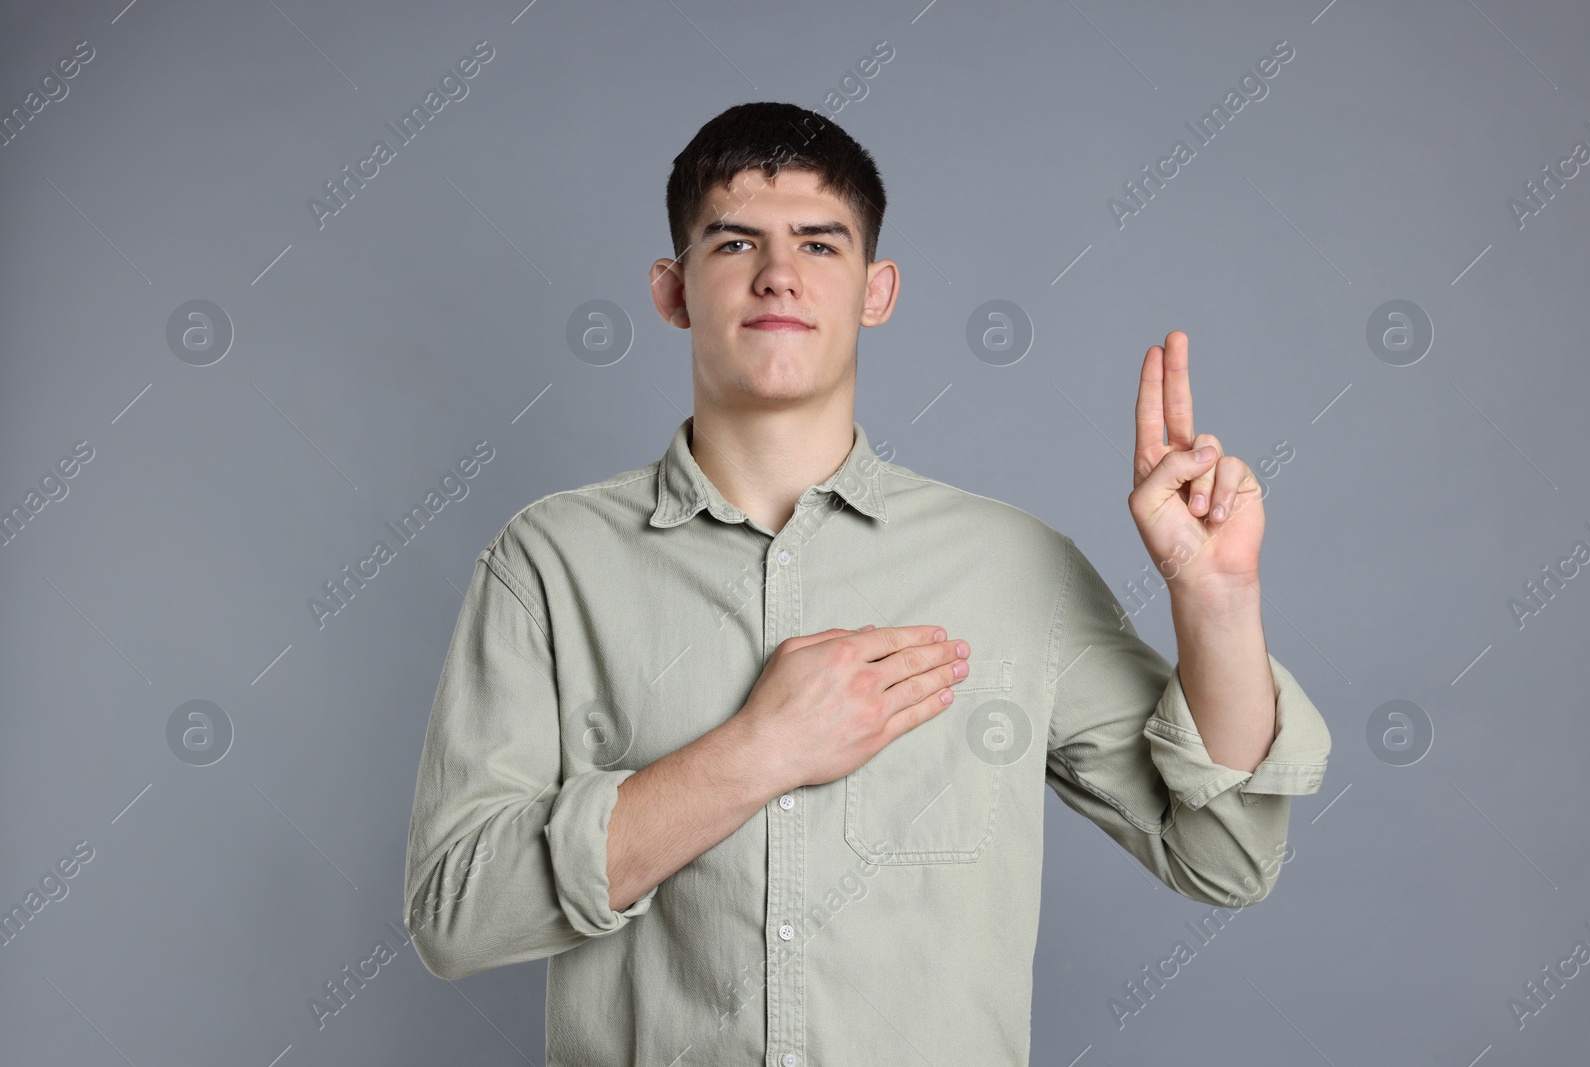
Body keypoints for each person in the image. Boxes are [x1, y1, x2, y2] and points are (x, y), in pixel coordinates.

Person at [402, 101, 1331, 1066]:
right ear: (672, 289)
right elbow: (456, 913)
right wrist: (757, 752)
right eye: (733, 244)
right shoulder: (549, 562)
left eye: (819, 243)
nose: (778, 274)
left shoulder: (1014, 568)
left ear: (876, 290)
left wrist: (1215, 602)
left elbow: (1225, 859)